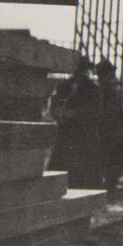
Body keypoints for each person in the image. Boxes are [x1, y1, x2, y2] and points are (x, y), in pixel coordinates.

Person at [47, 56, 103, 188]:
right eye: (78, 70)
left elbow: (97, 111)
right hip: (68, 135)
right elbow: (53, 108)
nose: (79, 73)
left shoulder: (92, 89)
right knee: (64, 168)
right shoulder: (63, 87)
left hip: (84, 135)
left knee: (84, 172)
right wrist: (60, 114)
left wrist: (75, 113)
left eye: (82, 70)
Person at [95, 59, 123, 199]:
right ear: (103, 75)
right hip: (105, 132)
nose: (113, 76)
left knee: (118, 160)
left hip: (115, 131)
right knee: (106, 162)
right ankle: (106, 191)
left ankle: (110, 189)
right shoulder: (99, 90)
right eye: (110, 73)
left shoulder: (112, 90)